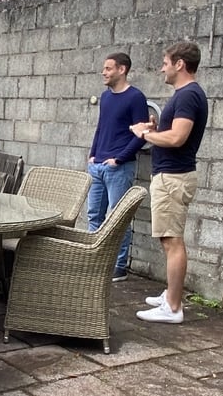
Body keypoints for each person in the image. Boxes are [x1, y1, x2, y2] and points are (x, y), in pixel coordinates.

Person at [130, 41, 208, 324]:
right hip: (171, 176)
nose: (161, 67)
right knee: (169, 239)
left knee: (172, 241)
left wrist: (143, 134)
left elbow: (177, 138)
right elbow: (173, 132)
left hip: (173, 178)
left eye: (165, 61)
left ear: (180, 64)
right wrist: (155, 128)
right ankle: (170, 296)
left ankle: (173, 307)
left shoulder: (188, 95)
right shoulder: (185, 95)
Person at [87, 52, 149, 283]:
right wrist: (93, 155)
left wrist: (119, 159)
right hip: (97, 166)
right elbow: (101, 128)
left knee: (117, 217)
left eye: (108, 68)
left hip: (118, 169)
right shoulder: (105, 97)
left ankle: (118, 266)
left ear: (122, 70)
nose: (104, 72)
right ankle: (96, 259)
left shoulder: (135, 98)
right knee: (94, 215)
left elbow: (141, 135)